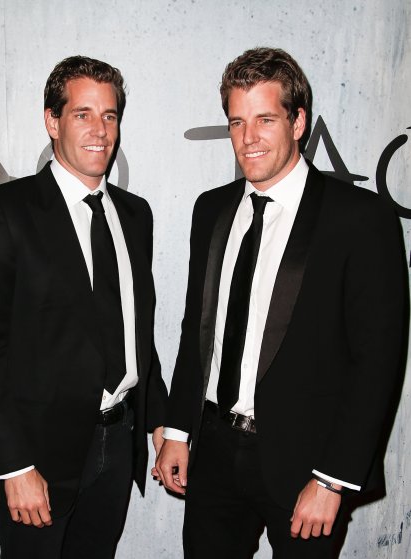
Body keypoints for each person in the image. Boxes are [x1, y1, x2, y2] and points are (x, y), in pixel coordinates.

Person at [155, 47, 406, 558]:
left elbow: (376, 363)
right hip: (213, 452)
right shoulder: (211, 210)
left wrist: (332, 479)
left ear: (298, 122)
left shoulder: (359, 218)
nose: (248, 138)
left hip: (306, 463)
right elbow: (197, 330)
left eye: (265, 119)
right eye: (237, 122)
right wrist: (178, 430)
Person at [0, 55, 167, 559]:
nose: (100, 130)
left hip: (118, 444)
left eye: (109, 115)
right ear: (52, 121)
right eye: (82, 114)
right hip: (38, 459)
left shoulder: (135, 215)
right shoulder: (2, 212)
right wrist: (13, 465)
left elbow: (135, 329)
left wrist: (159, 421)